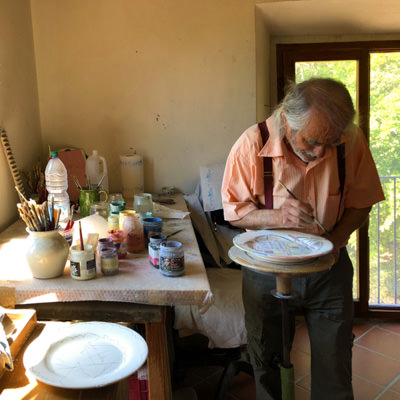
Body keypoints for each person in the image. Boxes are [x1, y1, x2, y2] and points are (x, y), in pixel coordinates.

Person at [221, 78, 385, 400]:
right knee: (266, 359)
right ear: (286, 120)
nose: (321, 152)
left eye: (331, 143)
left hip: (329, 270)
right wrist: (278, 217)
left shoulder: (349, 141)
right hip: (266, 271)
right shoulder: (251, 144)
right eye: (312, 141)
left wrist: (336, 241)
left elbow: (361, 202)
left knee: (334, 362)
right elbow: (234, 213)